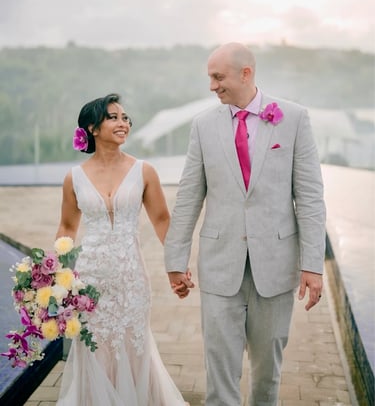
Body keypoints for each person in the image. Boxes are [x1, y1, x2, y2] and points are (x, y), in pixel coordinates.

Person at [164, 43, 326, 406]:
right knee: (219, 372)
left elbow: (311, 196)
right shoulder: (203, 126)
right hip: (220, 264)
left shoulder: (294, 118)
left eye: (218, 77)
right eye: (210, 77)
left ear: (245, 74)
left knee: (267, 374)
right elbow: (189, 195)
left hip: (277, 264)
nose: (212, 86)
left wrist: (312, 265)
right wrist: (176, 260)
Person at [55, 93, 188, 406]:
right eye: (113, 117)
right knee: (94, 346)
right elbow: (67, 228)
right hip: (90, 278)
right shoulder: (73, 177)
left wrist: (178, 267)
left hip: (131, 277)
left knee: (133, 344)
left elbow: (161, 221)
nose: (123, 123)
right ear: (92, 128)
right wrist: (57, 274)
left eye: (125, 117)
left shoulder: (144, 171)